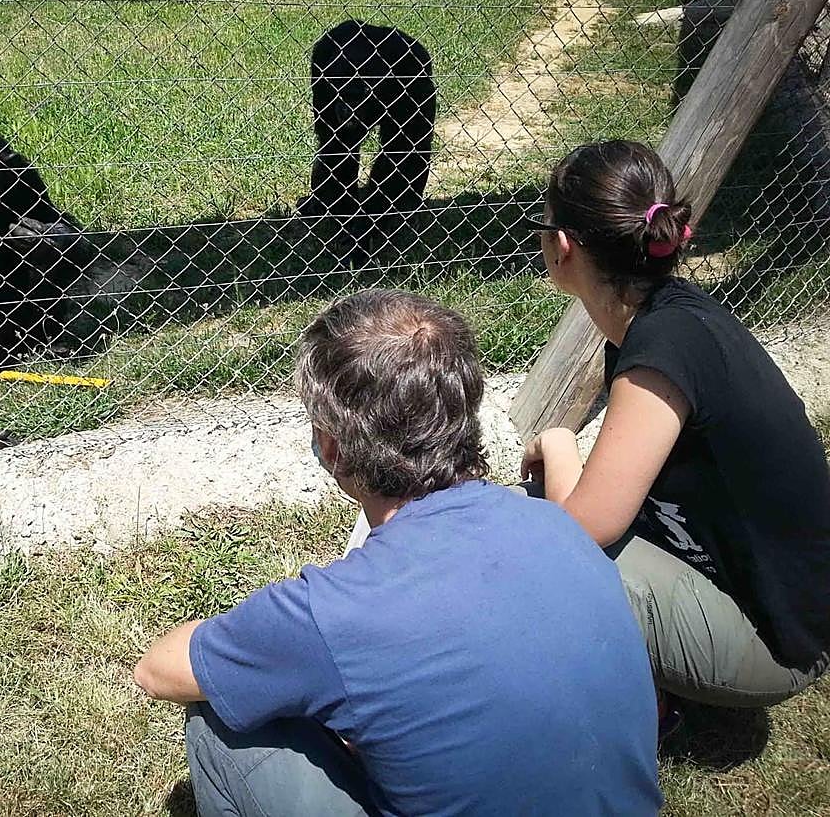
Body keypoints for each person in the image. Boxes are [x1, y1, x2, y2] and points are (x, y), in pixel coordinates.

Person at [135, 289, 662, 817]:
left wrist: (272, 644)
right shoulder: (558, 526)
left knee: (219, 717)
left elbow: (159, 671)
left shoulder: (333, 610)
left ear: (334, 447)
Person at [520, 140, 830, 718]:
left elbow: (584, 529)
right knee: (532, 509)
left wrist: (559, 442)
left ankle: (630, 711)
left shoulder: (662, 349)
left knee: (540, 557)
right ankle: (640, 683)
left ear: (563, 246)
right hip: (760, 591)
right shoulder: (667, 317)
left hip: (780, 643)